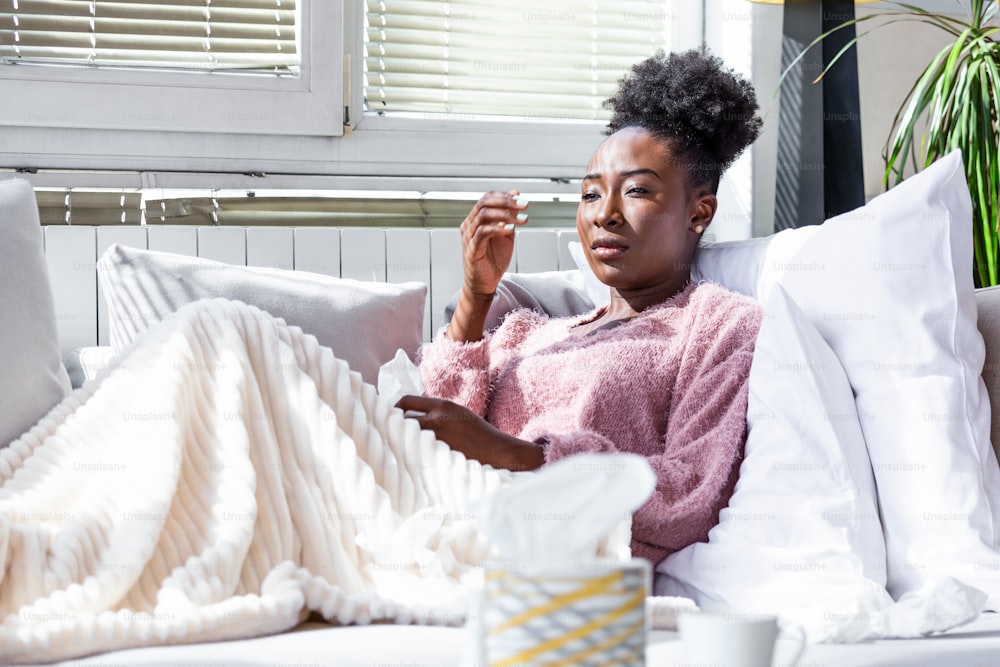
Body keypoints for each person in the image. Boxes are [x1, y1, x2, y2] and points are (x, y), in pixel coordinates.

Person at [397, 48, 765, 566]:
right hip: (429, 505)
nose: (605, 215)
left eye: (636, 190)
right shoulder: (528, 331)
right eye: (590, 195)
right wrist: (477, 295)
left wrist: (518, 456)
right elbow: (432, 421)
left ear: (699, 213)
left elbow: (689, 495)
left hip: (522, 542)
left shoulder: (717, 327)